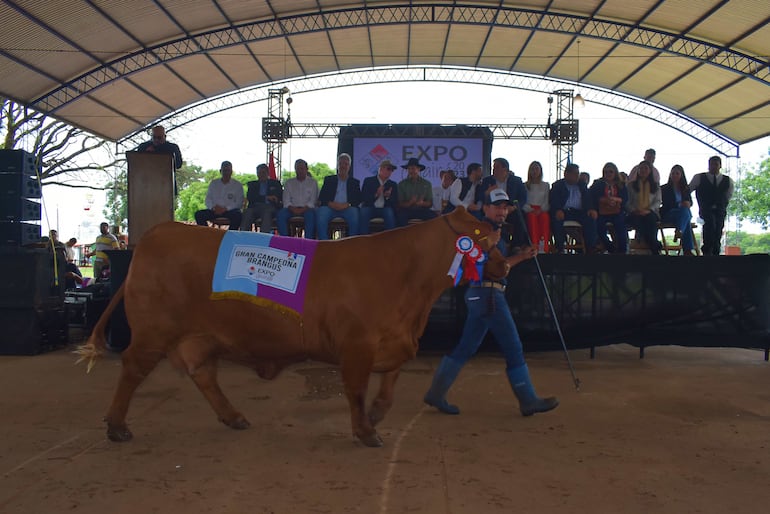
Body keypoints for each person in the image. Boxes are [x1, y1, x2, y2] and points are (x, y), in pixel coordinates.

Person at [423, 188, 559, 417]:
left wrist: (522, 255)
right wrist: (500, 248)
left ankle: (436, 393)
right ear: (484, 207)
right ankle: (528, 400)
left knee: (467, 347)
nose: (502, 211)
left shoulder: (490, 232)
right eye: (497, 206)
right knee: (513, 347)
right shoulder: (481, 232)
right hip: (488, 295)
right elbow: (476, 263)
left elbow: (500, 266)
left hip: (482, 295)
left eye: (505, 207)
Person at [476, 157, 528, 246]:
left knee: (521, 216)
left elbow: (523, 197)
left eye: (496, 167)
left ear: (505, 169)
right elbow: (478, 197)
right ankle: (498, 243)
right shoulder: (487, 181)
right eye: (493, 167)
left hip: (510, 209)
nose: (493, 170)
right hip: (493, 210)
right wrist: (487, 193)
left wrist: (514, 207)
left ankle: (517, 246)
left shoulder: (516, 180)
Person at [689, 155, 734, 255]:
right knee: (710, 225)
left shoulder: (728, 180)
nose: (713, 167)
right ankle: (707, 250)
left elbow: (728, 196)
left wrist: (722, 205)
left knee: (718, 228)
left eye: (715, 164)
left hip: (720, 209)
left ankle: (715, 251)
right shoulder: (699, 177)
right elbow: (689, 190)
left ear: (720, 166)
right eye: (711, 164)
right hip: (706, 208)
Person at [549, 163, 598, 253]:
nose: (576, 176)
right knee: (557, 219)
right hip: (564, 211)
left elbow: (588, 199)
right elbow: (553, 200)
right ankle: (560, 247)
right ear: (566, 174)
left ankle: (590, 248)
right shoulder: (558, 185)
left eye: (577, 174)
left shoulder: (582, 185)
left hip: (579, 212)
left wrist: (591, 209)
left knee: (590, 220)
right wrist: (557, 209)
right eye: (574, 174)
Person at [316, 153, 361, 239]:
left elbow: (357, 199)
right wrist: (331, 204)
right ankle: (324, 243)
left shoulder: (354, 182)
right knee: (321, 214)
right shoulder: (329, 180)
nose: (343, 166)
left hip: (347, 208)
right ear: (337, 165)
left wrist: (347, 205)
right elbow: (322, 197)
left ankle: (352, 244)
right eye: (341, 163)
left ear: (349, 166)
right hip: (330, 207)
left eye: (346, 164)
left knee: (355, 214)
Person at [589, 162, 628, 254]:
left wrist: (615, 199)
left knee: (621, 230)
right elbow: (591, 197)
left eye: (611, 172)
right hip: (602, 212)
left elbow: (625, 199)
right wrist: (604, 200)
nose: (608, 174)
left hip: (617, 211)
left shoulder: (621, 184)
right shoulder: (597, 183)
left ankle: (622, 252)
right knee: (598, 228)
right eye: (606, 172)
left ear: (615, 173)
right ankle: (610, 248)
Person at [194, 160, 244, 231]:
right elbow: (208, 199)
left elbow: (239, 202)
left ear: (231, 172)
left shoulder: (237, 185)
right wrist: (213, 207)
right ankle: (208, 234)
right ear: (220, 171)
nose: (226, 172)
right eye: (224, 170)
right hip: (215, 210)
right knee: (199, 215)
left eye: (228, 170)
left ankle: (229, 236)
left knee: (238, 216)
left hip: (229, 211)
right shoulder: (214, 183)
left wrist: (226, 208)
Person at [626, 160, 662, 254]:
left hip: (651, 212)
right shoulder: (631, 185)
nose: (643, 170)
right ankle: (654, 245)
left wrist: (649, 210)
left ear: (650, 171)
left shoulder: (656, 186)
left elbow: (658, 201)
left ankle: (652, 245)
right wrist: (635, 210)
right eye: (641, 168)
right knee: (637, 222)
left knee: (651, 221)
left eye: (645, 168)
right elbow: (627, 202)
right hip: (635, 212)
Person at [276, 158, 318, 238]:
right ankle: (285, 241)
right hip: (291, 209)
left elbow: (313, 201)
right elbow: (286, 200)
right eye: (298, 168)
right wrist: (293, 209)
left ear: (306, 169)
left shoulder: (313, 182)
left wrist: (302, 209)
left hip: (307, 209)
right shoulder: (289, 182)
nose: (300, 171)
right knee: (280, 215)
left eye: (302, 168)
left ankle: (308, 242)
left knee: (311, 216)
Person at [135, 125, 183, 194]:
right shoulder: (144, 147)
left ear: (165, 136)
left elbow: (179, 164)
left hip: (167, 185)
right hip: (147, 185)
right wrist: (146, 155)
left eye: (159, 138)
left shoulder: (172, 148)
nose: (157, 140)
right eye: (154, 137)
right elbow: (137, 164)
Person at [660, 164, 696, 256]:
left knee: (685, 213)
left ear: (681, 175)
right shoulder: (664, 188)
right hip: (669, 213)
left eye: (677, 173)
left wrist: (688, 203)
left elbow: (690, 202)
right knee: (686, 214)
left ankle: (679, 230)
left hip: (682, 215)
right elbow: (666, 204)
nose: (675, 175)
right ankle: (687, 249)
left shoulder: (685, 188)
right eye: (673, 173)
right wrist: (680, 204)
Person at [240, 163, 283, 232]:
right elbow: (251, 197)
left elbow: (279, 196)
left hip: (270, 207)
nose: (261, 175)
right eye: (259, 173)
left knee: (267, 212)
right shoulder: (252, 184)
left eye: (263, 172)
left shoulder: (275, 183)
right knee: (247, 212)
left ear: (268, 173)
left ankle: (263, 237)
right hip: (255, 207)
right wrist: (266, 198)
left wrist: (274, 198)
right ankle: (244, 236)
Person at [359, 159, 399, 234]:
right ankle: (363, 240)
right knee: (364, 212)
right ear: (381, 169)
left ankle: (390, 240)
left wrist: (387, 197)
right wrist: (376, 194)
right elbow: (363, 198)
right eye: (388, 169)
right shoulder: (369, 181)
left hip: (385, 209)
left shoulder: (393, 184)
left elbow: (395, 203)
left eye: (392, 170)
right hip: (370, 207)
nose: (390, 172)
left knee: (389, 213)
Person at [396, 157, 437, 226]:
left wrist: (422, 203)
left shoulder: (427, 183)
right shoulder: (401, 184)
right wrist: (410, 202)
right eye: (409, 169)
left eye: (413, 168)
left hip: (422, 210)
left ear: (419, 169)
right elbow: (400, 204)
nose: (411, 171)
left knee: (434, 217)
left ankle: (429, 236)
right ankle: (403, 236)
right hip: (407, 210)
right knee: (400, 217)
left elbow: (430, 203)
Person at [522, 160, 551, 253]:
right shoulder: (525, 185)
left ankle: (543, 247)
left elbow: (547, 201)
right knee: (531, 218)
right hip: (530, 210)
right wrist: (530, 209)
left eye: (536, 169)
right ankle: (534, 246)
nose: (534, 171)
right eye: (532, 169)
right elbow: (523, 201)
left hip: (542, 210)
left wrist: (541, 210)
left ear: (540, 171)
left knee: (545, 218)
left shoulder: (546, 185)